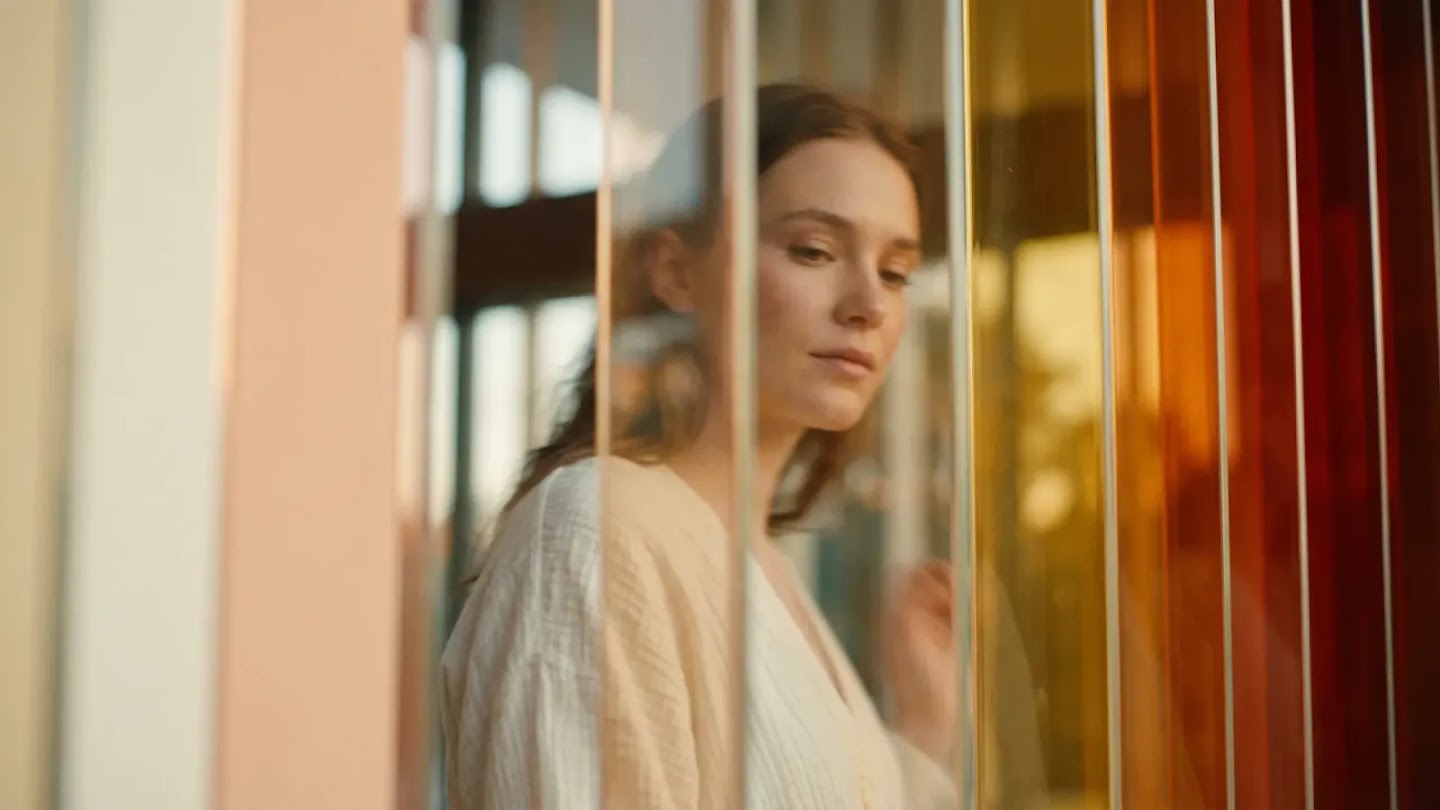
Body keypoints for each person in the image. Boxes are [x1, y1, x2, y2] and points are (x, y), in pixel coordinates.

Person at [442, 82, 963, 809]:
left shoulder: (764, 568)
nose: (869, 304)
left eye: (896, 271)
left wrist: (923, 731)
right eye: (814, 250)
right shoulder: (596, 532)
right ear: (675, 270)